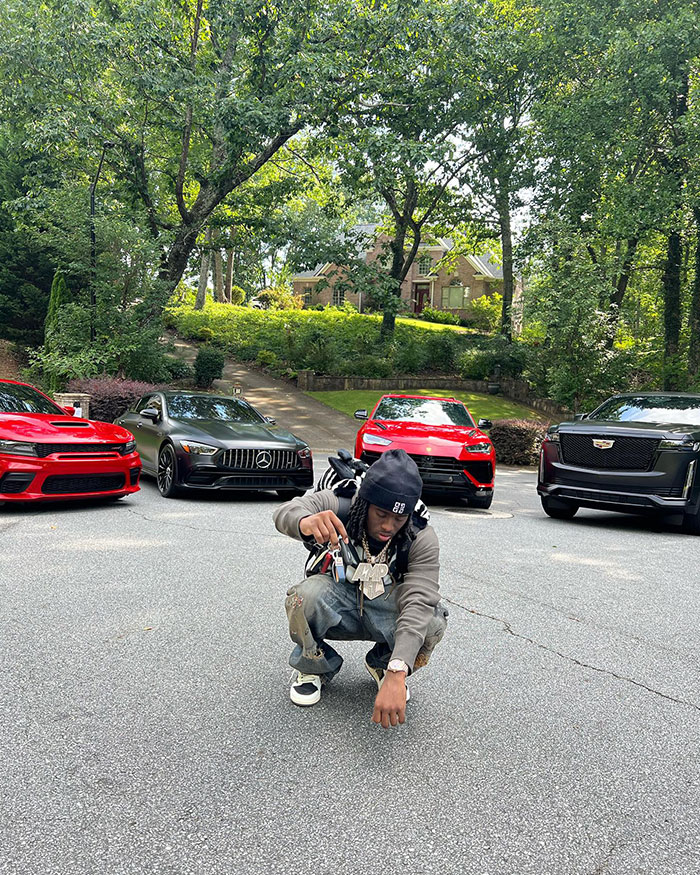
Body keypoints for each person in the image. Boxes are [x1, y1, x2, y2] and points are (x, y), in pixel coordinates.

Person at [273, 448, 447, 729]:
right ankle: (314, 666)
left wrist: (398, 669)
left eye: (398, 518)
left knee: (433, 618)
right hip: (339, 599)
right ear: (365, 502)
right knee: (303, 597)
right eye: (381, 513)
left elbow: (419, 601)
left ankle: (382, 662)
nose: (389, 526)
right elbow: (285, 511)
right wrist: (304, 522)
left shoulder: (421, 534)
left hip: (384, 606)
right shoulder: (342, 502)